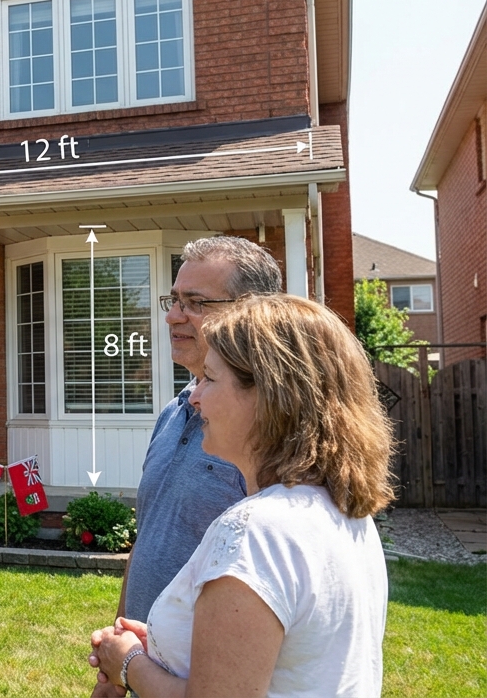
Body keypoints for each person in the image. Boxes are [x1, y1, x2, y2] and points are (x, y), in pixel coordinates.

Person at [89, 293, 394, 696]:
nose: (194, 398)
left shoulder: (256, 531)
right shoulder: (343, 513)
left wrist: (128, 663)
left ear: (270, 397)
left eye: (210, 379)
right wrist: (164, 649)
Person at [92, 237, 283, 697]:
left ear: (251, 312)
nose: (173, 315)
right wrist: (118, 662)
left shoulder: (266, 435)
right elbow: (148, 536)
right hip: (144, 673)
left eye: (195, 303)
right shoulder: (172, 413)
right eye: (174, 300)